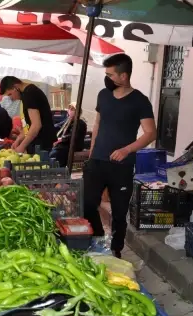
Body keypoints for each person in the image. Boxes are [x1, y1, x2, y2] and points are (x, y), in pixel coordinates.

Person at [84, 53, 157, 259]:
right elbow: (97, 124)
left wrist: (127, 150)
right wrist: (91, 153)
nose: (107, 78)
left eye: (110, 74)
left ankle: (116, 249)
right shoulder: (103, 95)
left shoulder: (140, 101)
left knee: (119, 211)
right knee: (88, 203)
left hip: (122, 165)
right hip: (97, 161)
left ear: (123, 76)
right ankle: (97, 239)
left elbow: (151, 133)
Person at [0, 76, 56, 154]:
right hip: (39, 143)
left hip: (43, 145)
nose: (11, 98)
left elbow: (36, 125)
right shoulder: (27, 94)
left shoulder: (29, 94)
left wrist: (22, 146)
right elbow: (28, 126)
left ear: (16, 87)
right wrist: (18, 140)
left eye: (10, 94)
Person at [50, 102, 87, 167]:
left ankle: (59, 168)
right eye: (69, 108)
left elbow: (73, 136)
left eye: (73, 109)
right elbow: (58, 126)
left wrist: (61, 139)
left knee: (56, 153)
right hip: (66, 143)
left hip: (73, 145)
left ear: (78, 111)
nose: (70, 110)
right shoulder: (68, 120)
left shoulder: (80, 123)